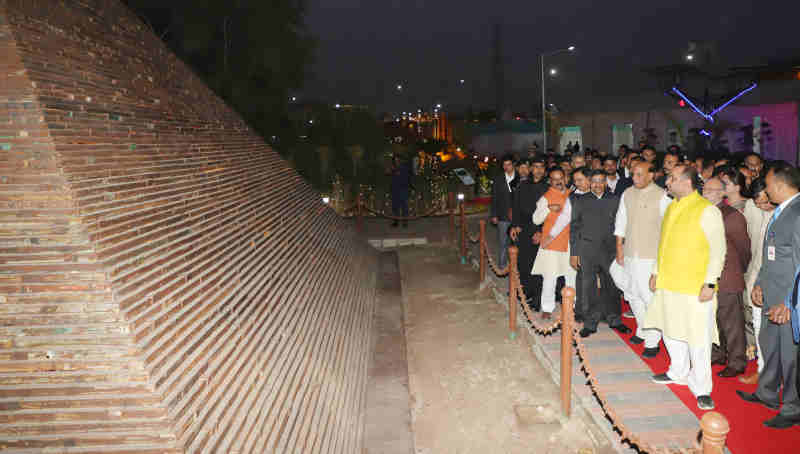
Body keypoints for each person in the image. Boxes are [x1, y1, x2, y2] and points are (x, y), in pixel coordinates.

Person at [645, 164, 726, 410]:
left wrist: (710, 282)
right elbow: (664, 244)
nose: (667, 182)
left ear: (687, 182)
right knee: (670, 331)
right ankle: (677, 371)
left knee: (697, 338)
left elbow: (718, 251)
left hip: (696, 288)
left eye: (672, 178)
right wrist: (656, 272)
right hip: (669, 283)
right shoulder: (671, 207)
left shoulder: (707, 210)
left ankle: (701, 387)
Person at [740, 162, 800, 428]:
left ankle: (792, 407)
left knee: (791, 356)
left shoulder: (797, 214)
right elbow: (770, 255)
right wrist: (760, 284)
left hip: (790, 301)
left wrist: (790, 303)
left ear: (778, 184)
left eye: (766, 183)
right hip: (771, 294)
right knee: (770, 346)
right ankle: (767, 393)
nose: (764, 188)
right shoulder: (781, 212)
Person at [613, 161, 671, 357]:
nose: (635, 178)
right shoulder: (627, 193)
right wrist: (619, 247)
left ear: (651, 175)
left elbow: (668, 228)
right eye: (633, 174)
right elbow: (621, 221)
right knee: (632, 294)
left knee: (649, 297)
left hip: (651, 256)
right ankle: (642, 329)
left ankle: (653, 341)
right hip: (630, 252)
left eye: (639, 174)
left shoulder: (663, 196)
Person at [571, 170, 631, 337]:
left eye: (601, 181)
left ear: (606, 183)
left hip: (610, 250)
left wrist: (621, 249)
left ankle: (615, 319)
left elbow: (622, 225)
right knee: (589, 286)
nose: (597, 185)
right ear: (590, 182)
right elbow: (574, 227)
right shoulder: (581, 200)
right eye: (594, 181)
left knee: (611, 285)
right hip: (587, 250)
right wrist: (574, 253)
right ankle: (590, 322)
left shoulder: (615, 200)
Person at [702, 177, 751, 378]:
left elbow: (744, 249)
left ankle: (737, 361)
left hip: (729, 274)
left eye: (711, 190)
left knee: (732, 322)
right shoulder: (704, 212)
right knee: (714, 319)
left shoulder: (732, 216)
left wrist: (737, 270)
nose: (705, 194)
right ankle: (718, 353)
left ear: (722, 193)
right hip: (708, 275)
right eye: (704, 189)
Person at [740, 177, 774, 384]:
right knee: (760, 328)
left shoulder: (785, 216)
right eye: (758, 203)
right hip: (756, 278)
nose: (763, 206)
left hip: (776, 284)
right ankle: (763, 371)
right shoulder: (757, 211)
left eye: (765, 201)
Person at [532, 168, 575, 319]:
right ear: (550, 181)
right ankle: (547, 308)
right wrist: (548, 209)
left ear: (565, 178)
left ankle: (572, 306)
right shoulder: (546, 198)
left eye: (561, 178)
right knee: (550, 276)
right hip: (551, 243)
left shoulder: (573, 194)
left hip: (570, 241)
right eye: (554, 179)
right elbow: (536, 220)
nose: (558, 182)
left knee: (571, 275)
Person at [511, 158, 549, 310]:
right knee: (524, 263)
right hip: (525, 229)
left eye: (541, 167)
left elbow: (552, 214)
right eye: (535, 167)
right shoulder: (522, 186)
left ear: (544, 170)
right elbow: (516, 207)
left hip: (542, 230)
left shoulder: (548, 188)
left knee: (540, 266)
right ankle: (525, 292)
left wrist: (541, 232)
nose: (538, 170)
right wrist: (515, 225)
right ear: (531, 169)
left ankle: (538, 299)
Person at [490, 154, 517, 269]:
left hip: (518, 216)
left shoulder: (520, 177)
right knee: (503, 242)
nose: (506, 167)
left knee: (517, 242)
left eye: (509, 164)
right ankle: (502, 265)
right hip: (503, 215)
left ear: (513, 164)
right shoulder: (498, 179)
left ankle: (517, 266)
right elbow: (494, 197)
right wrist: (494, 214)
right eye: (504, 165)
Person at [390, 155, 412, 227]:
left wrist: (396, 171)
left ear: (400, 160)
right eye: (395, 160)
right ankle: (396, 221)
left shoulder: (404, 167)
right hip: (395, 190)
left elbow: (407, 178)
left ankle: (404, 222)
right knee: (395, 206)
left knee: (404, 206)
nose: (396, 161)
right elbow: (391, 177)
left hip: (403, 189)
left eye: (397, 160)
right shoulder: (393, 167)